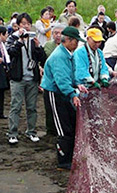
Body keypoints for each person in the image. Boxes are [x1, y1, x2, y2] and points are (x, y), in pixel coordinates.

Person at [41, 26, 88, 170]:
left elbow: (71, 75)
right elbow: (61, 81)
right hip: (55, 93)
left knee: (71, 123)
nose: (77, 44)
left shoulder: (69, 54)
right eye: (75, 41)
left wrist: (78, 85)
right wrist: (73, 94)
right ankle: (63, 161)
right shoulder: (58, 56)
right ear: (67, 40)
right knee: (63, 127)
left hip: (64, 92)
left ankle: (70, 156)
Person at [6, 13, 47, 145]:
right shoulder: (12, 38)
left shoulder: (33, 39)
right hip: (17, 78)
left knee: (32, 107)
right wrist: (19, 41)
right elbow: (11, 53)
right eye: (23, 24)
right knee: (15, 106)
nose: (25, 26)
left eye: (28, 24)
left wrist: (38, 46)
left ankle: (31, 131)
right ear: (18, 25)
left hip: (32, 78)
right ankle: (12, 133)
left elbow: (43, 59)